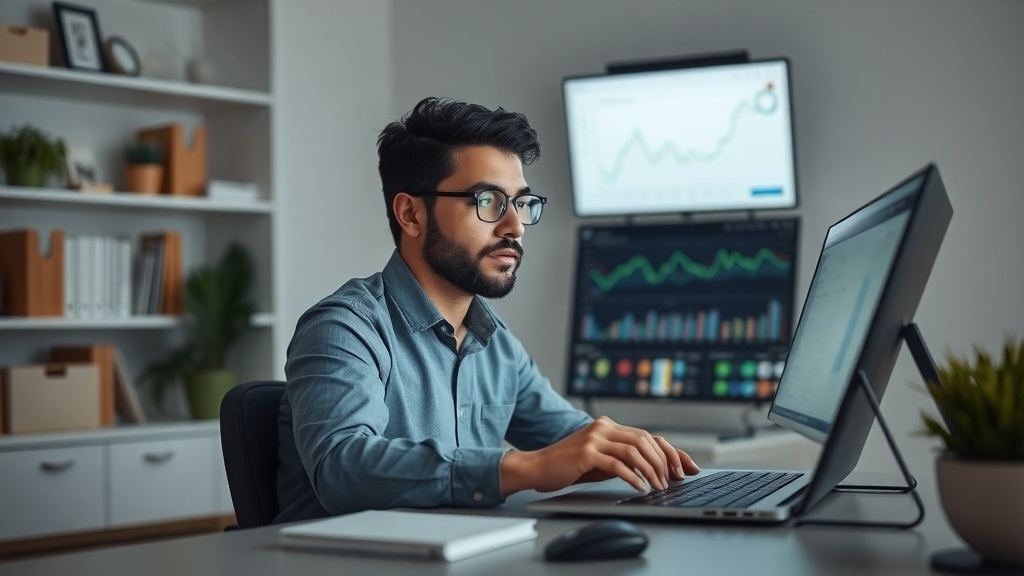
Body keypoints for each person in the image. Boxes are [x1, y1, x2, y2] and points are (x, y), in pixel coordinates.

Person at [274, 97, 700, 523]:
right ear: (410, 214)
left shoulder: (497, 345)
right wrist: (527, 466)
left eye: (521, 204)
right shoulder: (343, 328)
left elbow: (577, 443)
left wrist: (647, 458)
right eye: (488, 202)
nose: (514, 226)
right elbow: (341, 468)